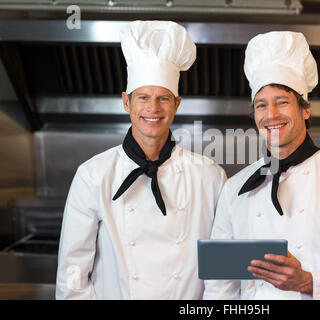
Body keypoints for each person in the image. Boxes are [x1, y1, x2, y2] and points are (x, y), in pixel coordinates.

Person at [203, 31, 320, 300]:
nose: (271, 115)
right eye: (261, 105)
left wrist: (306, 282)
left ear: (305, 109)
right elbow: (220, 285)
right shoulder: (234, 188)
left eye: (282, 102)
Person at [56, 20, 227, 299]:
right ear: (126, 102)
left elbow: (220, 274)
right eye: (143, 97)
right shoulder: (94, 174)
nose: (153, 108)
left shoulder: (209, 176)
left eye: (163, 98)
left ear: (177, 104)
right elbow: (72, 274)